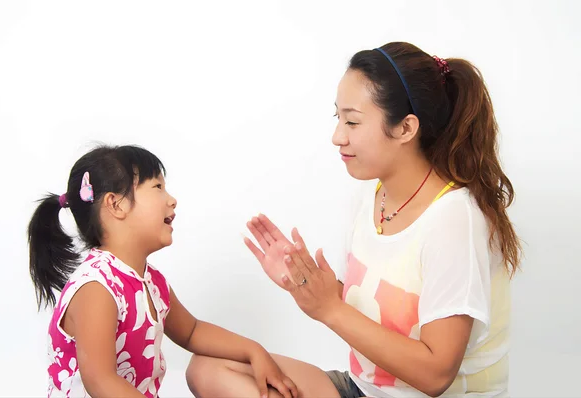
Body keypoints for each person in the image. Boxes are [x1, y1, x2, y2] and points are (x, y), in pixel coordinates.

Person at [185, 42, 522, 397]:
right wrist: (303, 281)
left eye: (353, 121)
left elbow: (436, 374)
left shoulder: (455, 219)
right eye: (338, 118)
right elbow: (366, 317)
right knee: (208, 365)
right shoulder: (370, 197)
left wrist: (329, 309)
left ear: (406, 128)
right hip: (362, 389)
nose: (337, 136)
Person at [28, 144, 298, 398]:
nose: (172, 200)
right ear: (116, 204)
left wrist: (254, 350)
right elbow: (100, 381)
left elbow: (191, 331)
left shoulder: (151, 282)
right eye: (157, 186)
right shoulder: (96, 288)